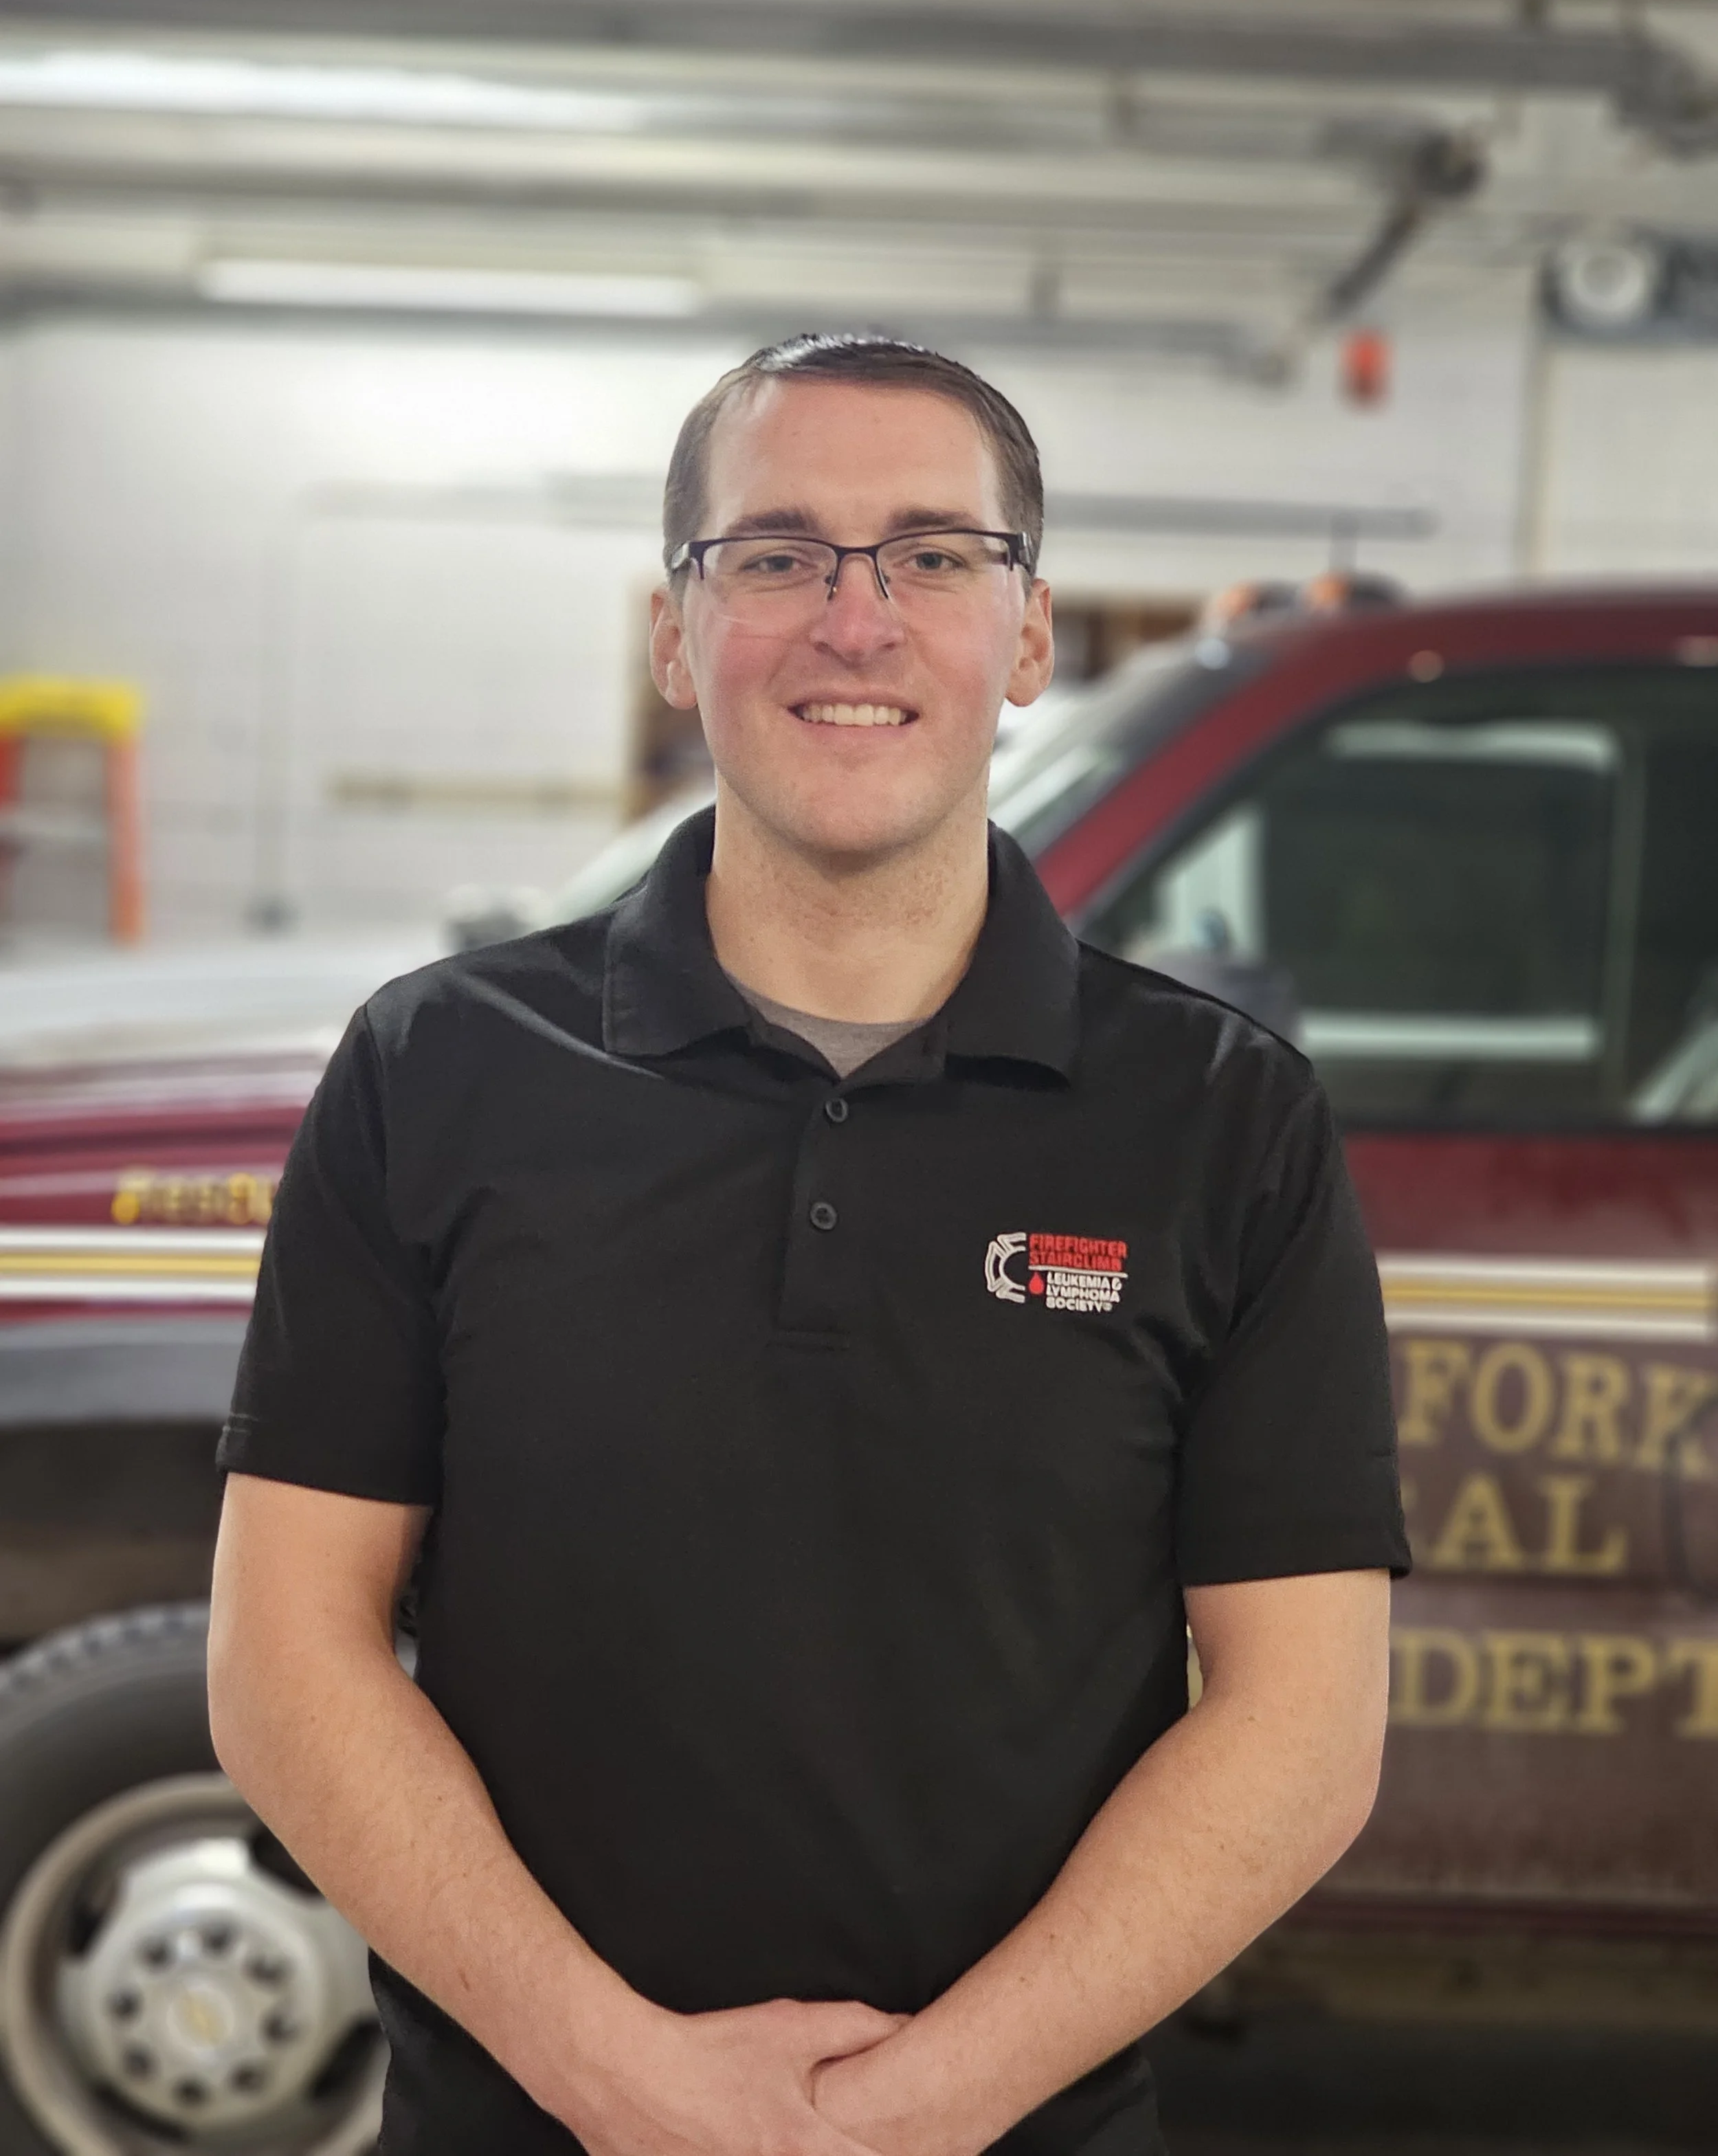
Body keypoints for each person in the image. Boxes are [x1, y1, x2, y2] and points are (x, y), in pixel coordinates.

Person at [209, 333, 1409, 2156]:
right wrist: (618, 2081)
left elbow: (1298, 1725)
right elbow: (289, 1653)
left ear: (1024, 638)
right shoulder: (431, 1072)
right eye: (774, 555)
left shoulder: (1222, 1123)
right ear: (674, 634)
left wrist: (922, 2104)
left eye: (934, 555)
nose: (854, 620)